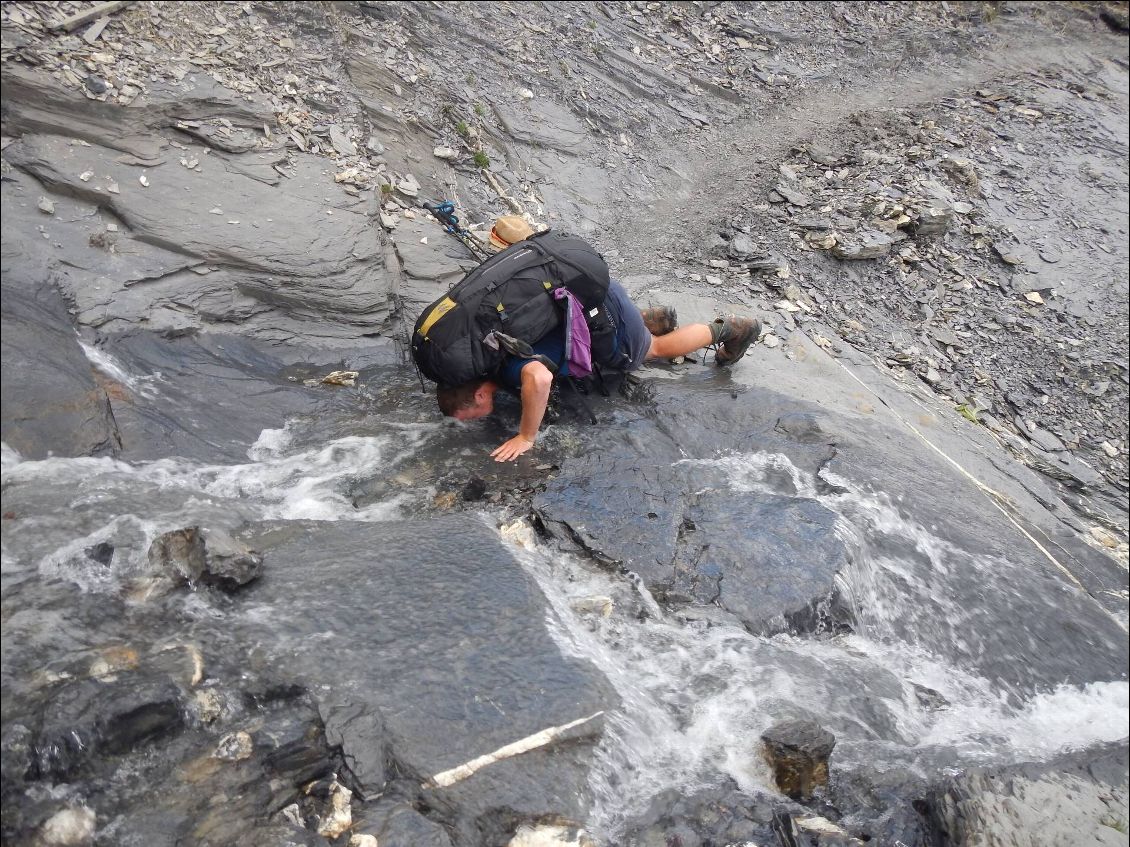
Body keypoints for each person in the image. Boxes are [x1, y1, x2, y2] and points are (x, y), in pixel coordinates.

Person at [439, 217, 762, 462]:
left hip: (602, 311)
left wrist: (526, 436)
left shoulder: (508, 372)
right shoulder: (480, 349)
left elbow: (538, 378)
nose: (466, 424)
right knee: (623, 336)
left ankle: (730, 328)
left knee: (652, 350)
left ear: (480, 396)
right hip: (589, 298)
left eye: (465, 417)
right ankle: (650, 319)